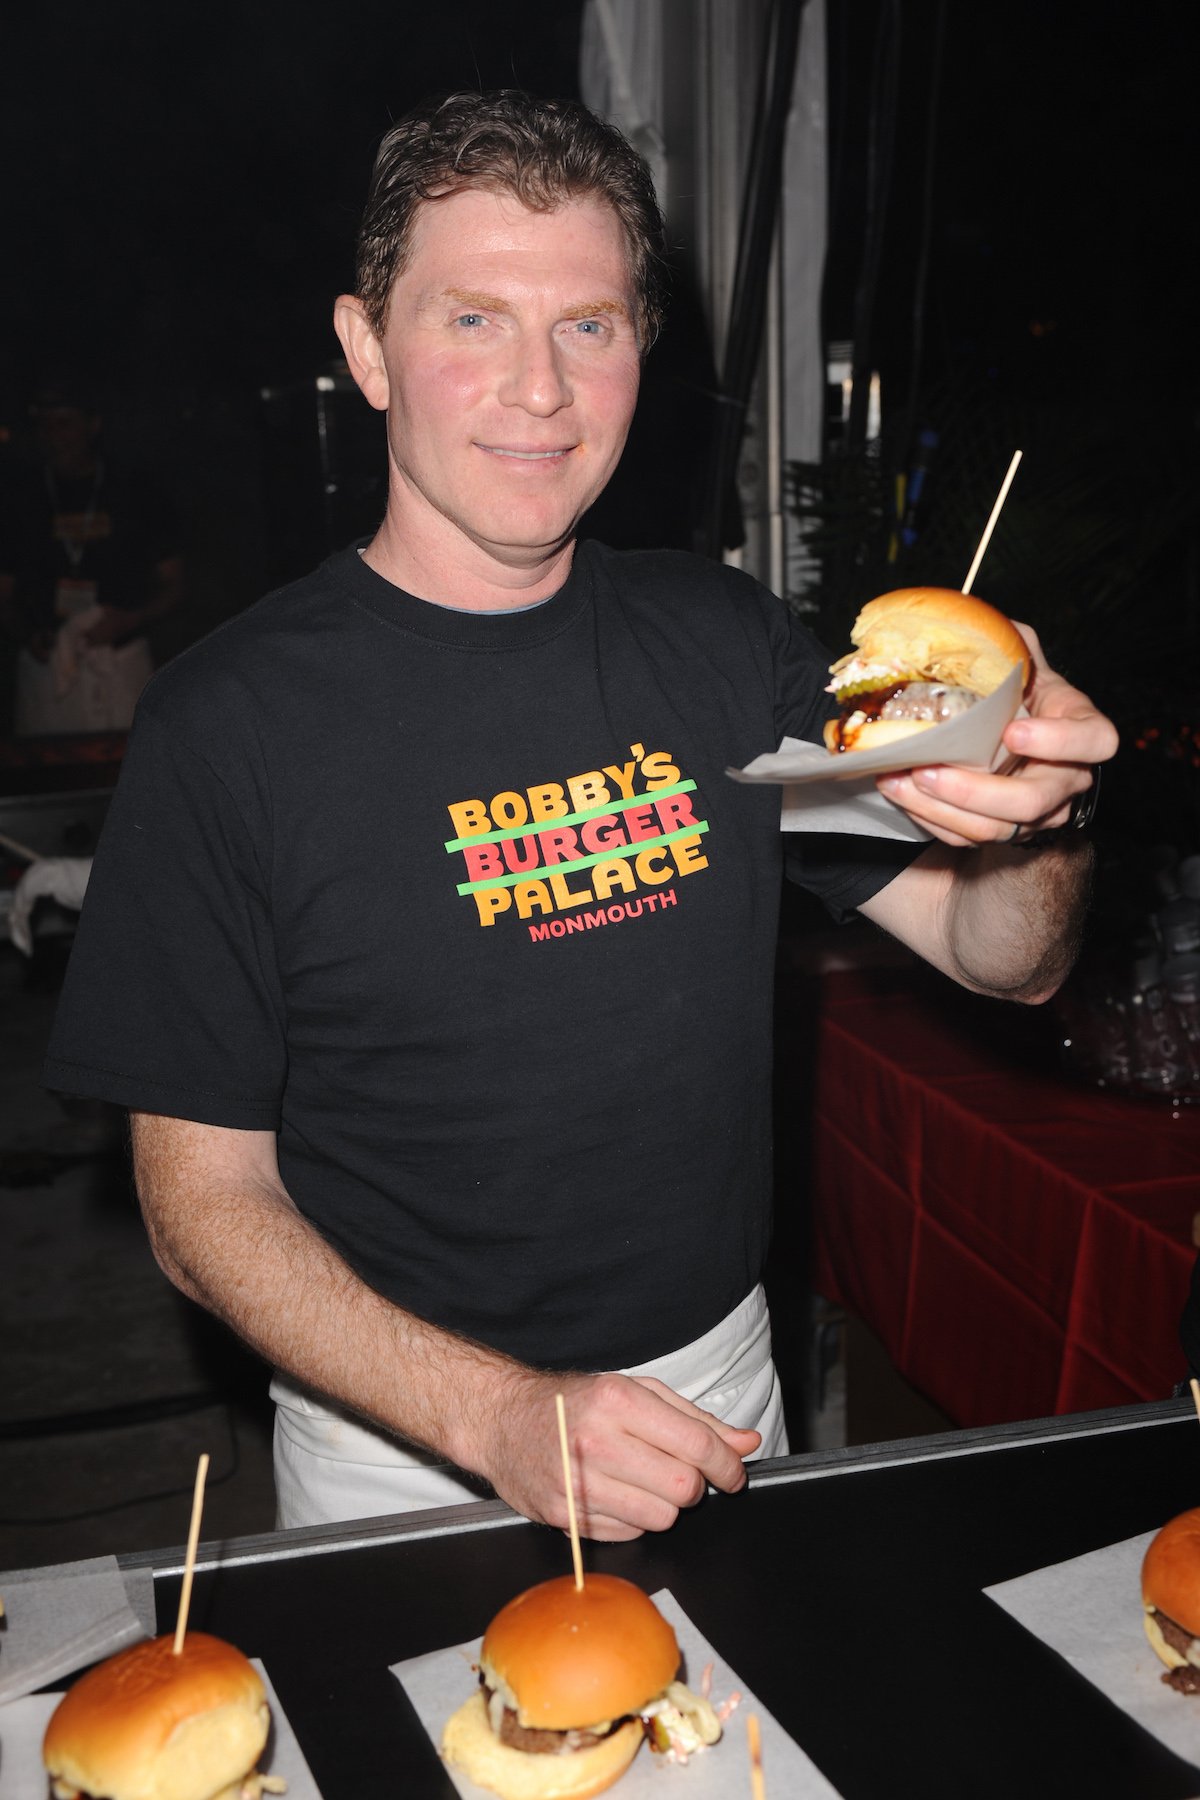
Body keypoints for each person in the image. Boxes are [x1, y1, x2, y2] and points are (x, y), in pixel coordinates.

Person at [44, 91, 1116, 1542]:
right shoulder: (226, 725)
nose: (540, 390)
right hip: (405, 1441)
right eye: (473, 319)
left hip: (721, 1397)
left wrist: (1037, 820)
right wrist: (493, 1414)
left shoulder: (728, 648)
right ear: (367, 349)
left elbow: (1005, 957)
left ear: (639, 352)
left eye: (591, 326)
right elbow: (200, 1208)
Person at [0, 377, 183, 736]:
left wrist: (131, 619)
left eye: (64, 423)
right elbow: (2, 596)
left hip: (120, 660)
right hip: (46, 667)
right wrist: (26, 633)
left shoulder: (134, 489)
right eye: (45, 425)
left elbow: (175, 584)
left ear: (92, 425)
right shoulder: (19, 497)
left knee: (129, 775)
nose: (54, 435)